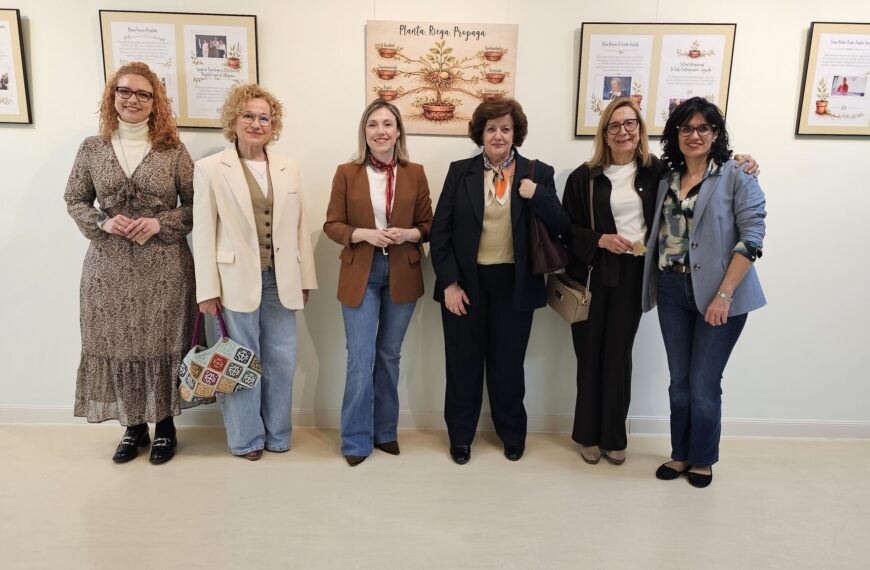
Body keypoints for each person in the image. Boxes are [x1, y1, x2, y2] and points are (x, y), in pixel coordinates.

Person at [563, 99, 759, 467]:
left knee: (622, 358)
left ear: (640, 129)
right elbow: (565, 229)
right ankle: (589, 435)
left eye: (630, 124)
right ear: (603, 132)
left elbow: (738, 215)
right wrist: (599, 240)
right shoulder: (585, 176)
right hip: (596, 276)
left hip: (638, 276)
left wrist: (744, 160)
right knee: (594, 357)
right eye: (614, 125)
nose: (623, 131)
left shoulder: (656, 172)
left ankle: (618, 438)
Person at [64, 61, 196, 465]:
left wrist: (159, 222)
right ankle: (133, 426)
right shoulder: (92, 147)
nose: (133, 100)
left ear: (156, 102)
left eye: (143, 93)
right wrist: (104, 220)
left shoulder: (173, 150)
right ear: (112, 97)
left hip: (165, 267)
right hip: (108, 269)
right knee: (119, 345)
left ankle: (166, 426)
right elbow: (74, 199)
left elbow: (197, 205)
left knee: (163, 343)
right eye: (125, 91)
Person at [430, 98, 569, 465]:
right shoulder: (460, 172)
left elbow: (561, 225)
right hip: (465, 286)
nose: (498, 135)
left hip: (515, 284)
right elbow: (440, 233)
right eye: (491, 128)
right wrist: (449, 284)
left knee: (508, 366)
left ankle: (512, 434)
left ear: (515, 133)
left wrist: (536, 194)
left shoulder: (537, 172)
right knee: (463, 366)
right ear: (480, 133)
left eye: (505, 128)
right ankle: (460, 437)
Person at [641, 97, 767, 488]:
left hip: (720, 294)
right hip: (672, 289)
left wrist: (724, 295)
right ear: (675, 135)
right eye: (686, 128)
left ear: (716, 134)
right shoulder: (666, 179)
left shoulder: (736, 175)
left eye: (703, 129)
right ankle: (680, 453)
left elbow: (753, 238)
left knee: (703, 382)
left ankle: (702, 458)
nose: (694, 135)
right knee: (679, 380)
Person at [192, 83, 317, 460]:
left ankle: (278, 434)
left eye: (264, 117)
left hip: (283, 279)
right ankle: (246, 439)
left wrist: (306, 278)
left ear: (273, 124)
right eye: (248, 115)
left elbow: (299, 226)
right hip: (233, 281)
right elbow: (203, 232)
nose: (256, 123)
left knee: (282, 358)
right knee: (241, 359)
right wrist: (206, 290)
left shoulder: (287, 167)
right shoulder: (211, 169)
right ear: (234, 119)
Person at [324, 100, 433, 466]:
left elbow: (430, 225)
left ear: (399, 131)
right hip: (361, 274)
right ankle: (355, 440)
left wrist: (409, 233)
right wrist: (364, 234)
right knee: (360, 358)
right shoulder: (346, 172)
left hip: (403, 272)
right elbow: (332, 225)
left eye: (388, 124)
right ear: (365, 132)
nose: (381, 131)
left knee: (389, 356)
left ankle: (385, 431)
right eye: (373, 124)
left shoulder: (415, 172)